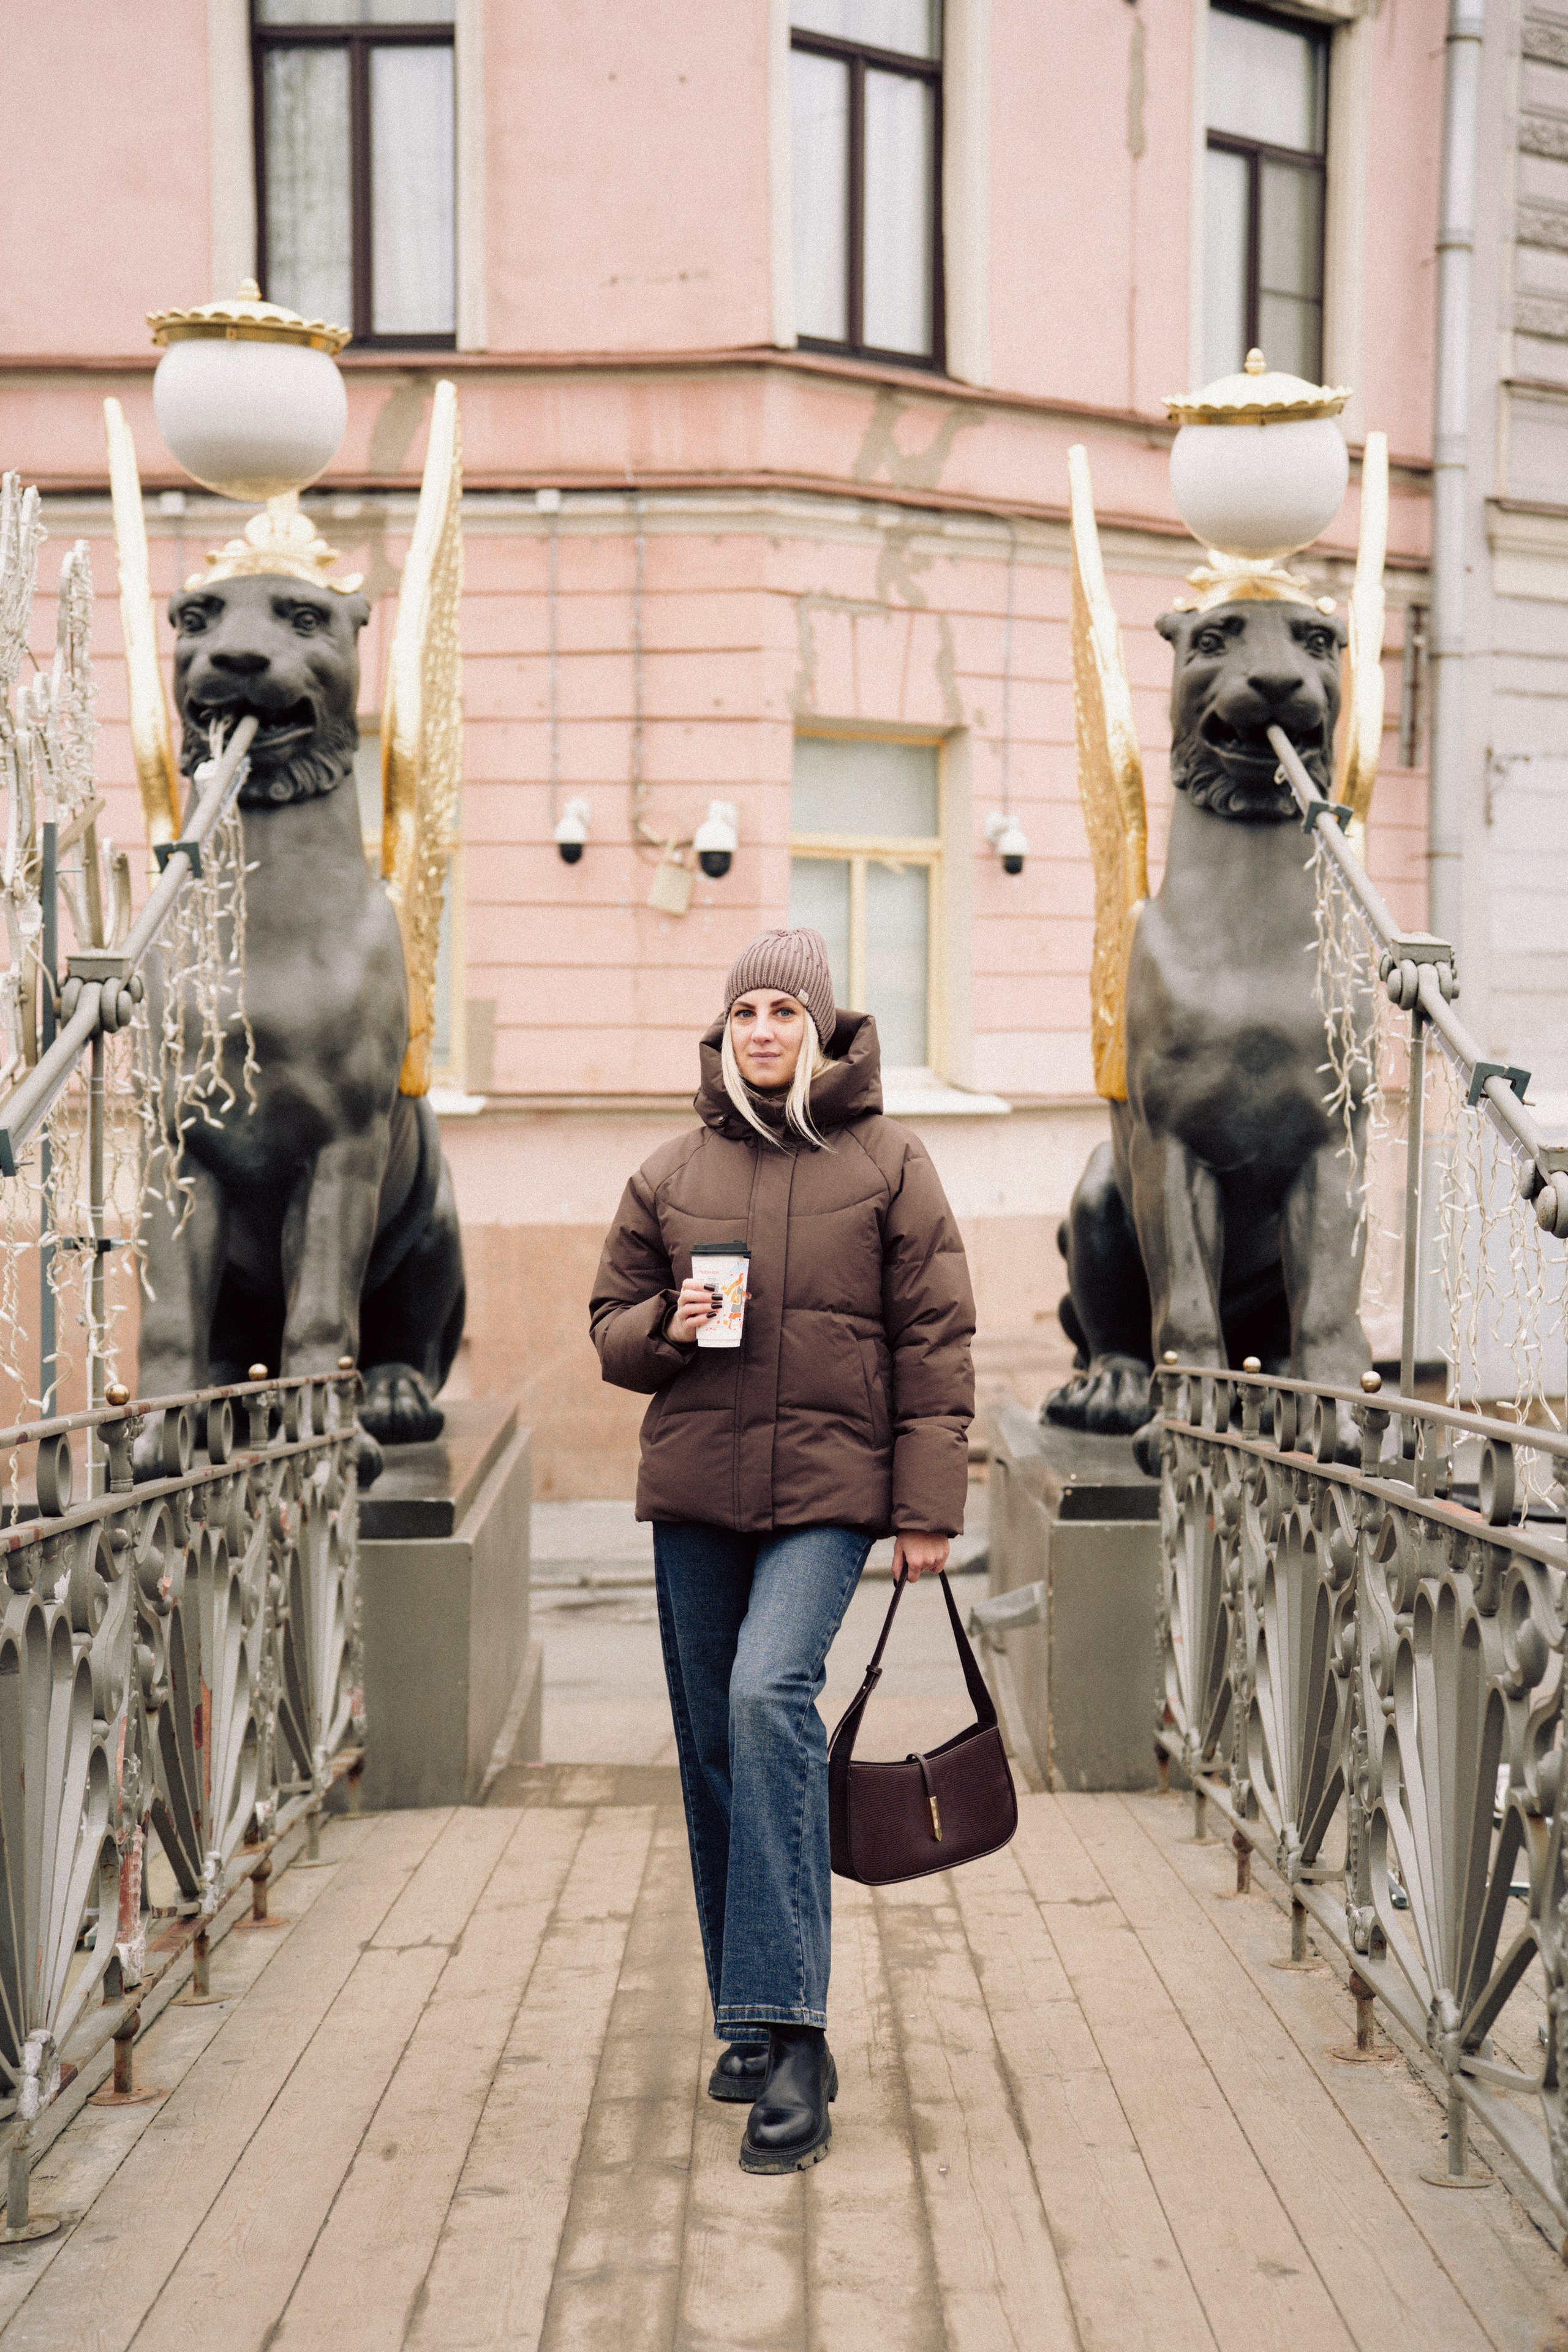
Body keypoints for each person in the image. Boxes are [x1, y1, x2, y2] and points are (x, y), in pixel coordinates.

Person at [590, 926, 975, 2174]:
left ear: (822, 1028)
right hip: (696, 1487)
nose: (762, 1030)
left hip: (827, 1492)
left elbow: (935, 1343)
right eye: (744, 1011)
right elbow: (609, 1330)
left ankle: (799, 2036)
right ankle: (744, 2014)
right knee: (710, 1743)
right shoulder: (668, 1170)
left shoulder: (889, 1163)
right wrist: (667, 1323)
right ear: (725, 1030)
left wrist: (927, 1507)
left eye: (783, 1011)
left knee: (768, 1700)